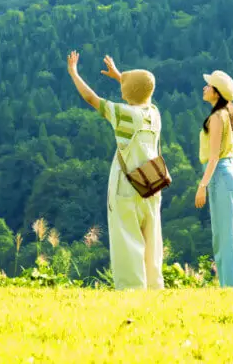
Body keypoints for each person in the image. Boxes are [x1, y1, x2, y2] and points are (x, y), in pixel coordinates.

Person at [66, 50, 164, 290]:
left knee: (126, 239)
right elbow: (141, 94)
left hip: (125, 186)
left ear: (127, 93)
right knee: (152, 239)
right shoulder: (153, 114)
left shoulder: (123, 114)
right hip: (151, 184)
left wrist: (74, 73)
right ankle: (154, 287)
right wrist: (121, 77)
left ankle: (131, 288)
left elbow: (92, 98)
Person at [195, 69, 233, 288]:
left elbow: (214, 156)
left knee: (223, 239)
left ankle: (231, 289)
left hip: (221, 176)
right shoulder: (231, 114)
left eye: (209, 86)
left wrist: (202, 185)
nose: (205, 88)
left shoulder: (217, 117)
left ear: (216, 93)